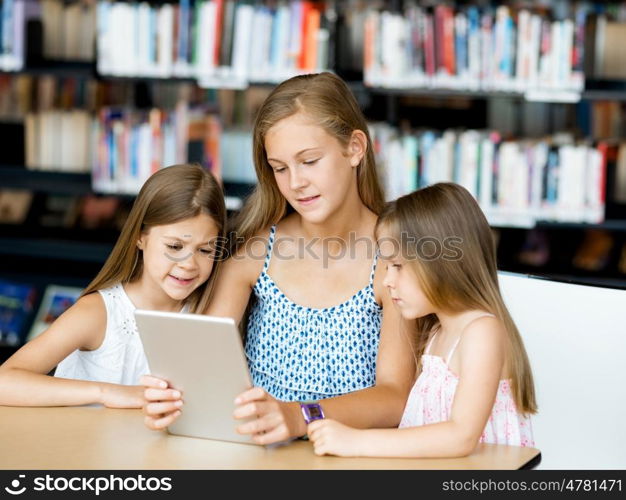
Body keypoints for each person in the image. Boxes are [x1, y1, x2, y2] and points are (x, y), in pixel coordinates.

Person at [142, 72, 415, 443]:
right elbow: (200, 364)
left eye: (310, 161)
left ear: (354, 148)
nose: (296, 183)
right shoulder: (257, 252)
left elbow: (395, 397)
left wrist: (301, 415)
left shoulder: (392, 260)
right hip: (257, 456)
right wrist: (170, 397)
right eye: (280, 168)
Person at [307, 183, 537, 457]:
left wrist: (355, 441)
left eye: (398, 266)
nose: (388, 281)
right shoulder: (437, 333)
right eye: (386, 266)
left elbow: (461, 436)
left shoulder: (480, 332)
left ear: (442, 263)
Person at [0, 164, 226, 408]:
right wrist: (107, 393)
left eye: (205, 250)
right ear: (140, 237)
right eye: (174, 247)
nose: (189, 264)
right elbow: (5, 381)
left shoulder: (211, 313)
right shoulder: (98, 312)